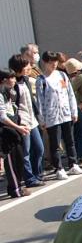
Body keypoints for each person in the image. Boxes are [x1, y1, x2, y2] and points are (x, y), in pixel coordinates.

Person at [35, 51, 82, 180]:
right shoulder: (41, 80)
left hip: (66, 113)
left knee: (69, 140)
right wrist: (42, 119)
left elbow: (70, 94)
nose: (54, 65)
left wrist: (74, 111)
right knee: (55, 143)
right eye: (51, 63)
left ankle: (73, 163)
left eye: (55, 62)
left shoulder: (62, 75)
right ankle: (59, 168)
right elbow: (39, 101)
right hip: (51, 115)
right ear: (45, 63)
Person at [8, 54, 45, 187]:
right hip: (22, 121)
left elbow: (31, 99)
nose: (29, 67)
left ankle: (37, 174)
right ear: (19, 67)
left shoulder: (26, 79)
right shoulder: (12, 83)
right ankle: (29, 179)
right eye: (26, 65)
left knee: (39, 148)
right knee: (26, 152)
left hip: (32, 119)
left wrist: (38, 115)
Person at [0, 69, 30, 198]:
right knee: (11, 161)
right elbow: (2, 117)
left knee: (18, 159)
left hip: (13, 129)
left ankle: (18, 185)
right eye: (10, 78)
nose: (13, 80)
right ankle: (15, 189)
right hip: (5, 130)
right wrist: (18, 127)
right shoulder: (0, 94)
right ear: (3, 80)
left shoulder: (9, 92)